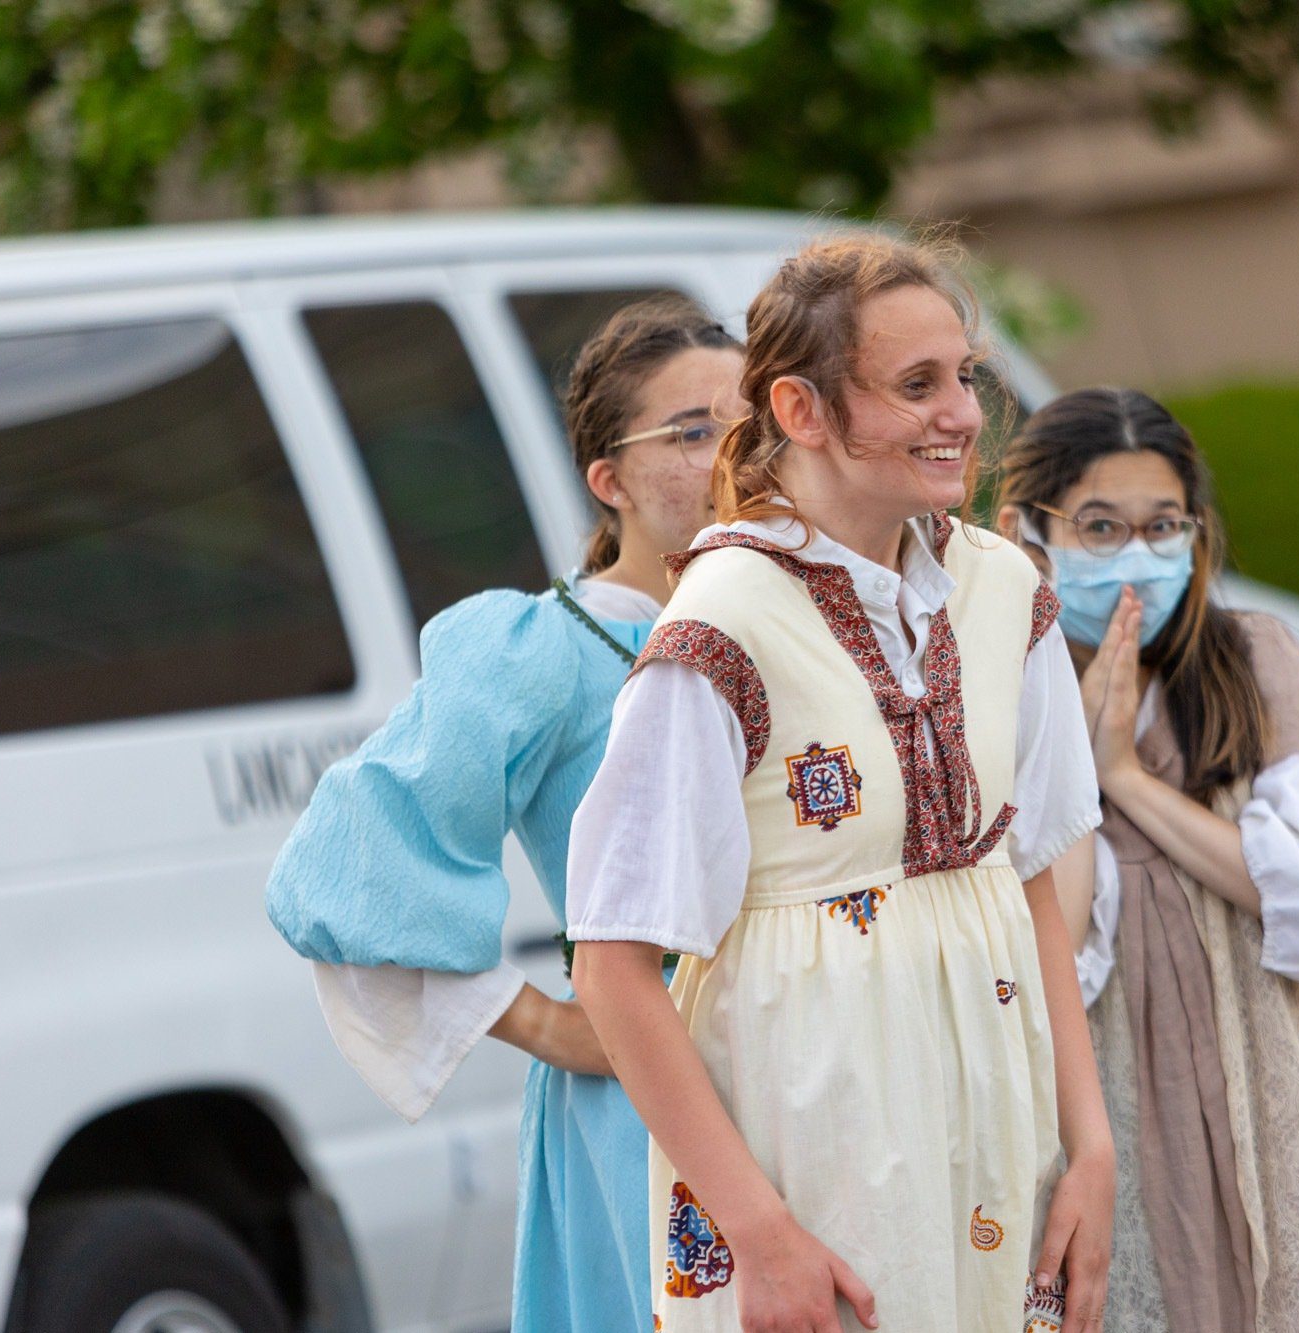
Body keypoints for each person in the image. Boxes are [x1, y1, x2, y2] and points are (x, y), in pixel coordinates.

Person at [563, 235, 1115, 1333]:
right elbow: (613, 967)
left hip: (1001, 1148)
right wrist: (757, 1234)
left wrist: (1091, 1147)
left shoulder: (1004, 592)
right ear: (800, 410)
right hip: (814, 1172)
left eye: (963, 376)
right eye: (915, 385)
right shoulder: (720, 623)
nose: (961, 412)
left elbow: (1031, 883)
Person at [264, 295, 746, 1333]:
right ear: (607, 479)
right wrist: (546, 1023)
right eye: (692, 431)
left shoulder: (811, 615)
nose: (728, 456)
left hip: (826, 1061)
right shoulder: (548, 650)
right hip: (649, 1100)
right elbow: (344, 867)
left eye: (750, 425)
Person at [994, 386, 1299, 1331]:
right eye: (1100, 527)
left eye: (1162, 526)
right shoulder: (999, 694)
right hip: (1107, 1097)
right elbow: (1052, 950)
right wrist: (1072, 757)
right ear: (1030, 532)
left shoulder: (1249, 663)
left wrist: (1132, 782)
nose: (1135, 556)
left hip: (1270, 1084)